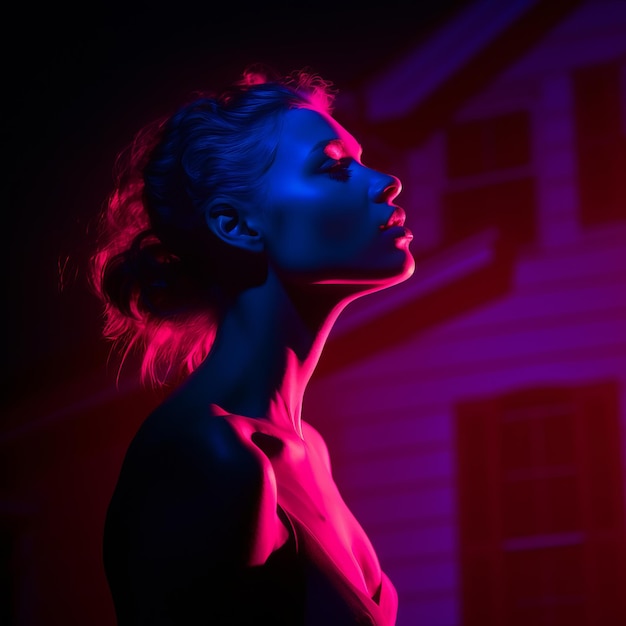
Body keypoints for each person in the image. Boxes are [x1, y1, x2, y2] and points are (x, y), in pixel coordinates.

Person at [89, 63, 415, 626]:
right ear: (237, 225)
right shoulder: (207, 454)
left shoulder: (305, 446)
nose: (388, 181)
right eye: (335, 168)